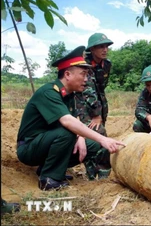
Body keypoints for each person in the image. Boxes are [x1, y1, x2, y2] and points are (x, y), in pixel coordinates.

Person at [16, 46, 126, 191]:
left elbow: (76, 120)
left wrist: (81, 138)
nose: (86, 80)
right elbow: (67, 121)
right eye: (83, 74)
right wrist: (104, 139)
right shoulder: (49, 92)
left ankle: (50, 168)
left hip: (45, 143)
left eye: (87, 75)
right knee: (68, 133)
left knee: (92, 145)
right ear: (67, 74)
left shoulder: (70, 95)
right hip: (29, 148)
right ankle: (49, 179)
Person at [75, 33, 113, 136]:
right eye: (101, 46)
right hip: (83, 102)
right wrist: (96, 114)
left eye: (106, 46)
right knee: (97, 132)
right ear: (92, 49)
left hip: (100, 101)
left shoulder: (107, 64)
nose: (105, 50)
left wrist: (100, 113)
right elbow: (87, 90)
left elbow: (102, 86)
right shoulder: (84, 64)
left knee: (101, 127)